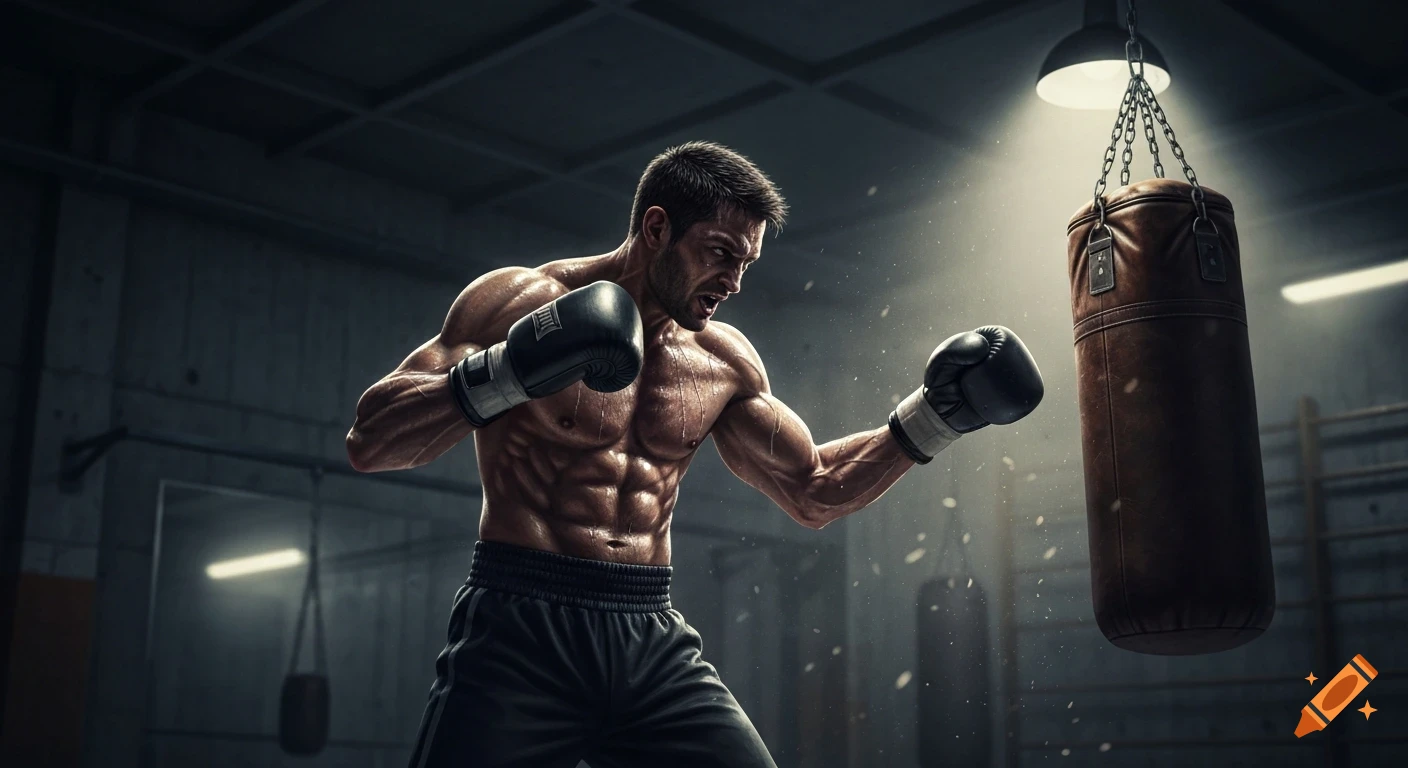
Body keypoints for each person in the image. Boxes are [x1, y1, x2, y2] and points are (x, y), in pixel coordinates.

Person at [345, 141, 1043, 768]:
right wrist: (509, 371)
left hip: (648, 637)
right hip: (520, 630)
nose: (735, 280)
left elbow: (815, 489)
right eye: (719, 252)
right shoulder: (520, 303)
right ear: (656, 228)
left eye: (747, 262)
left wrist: (933, 418)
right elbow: (372, 441)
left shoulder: (722, 361)